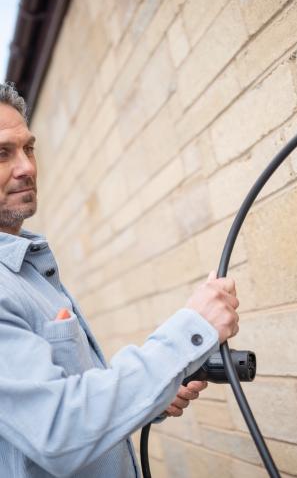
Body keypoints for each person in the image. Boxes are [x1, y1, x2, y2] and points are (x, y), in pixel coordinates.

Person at [0, 82, 239, 477]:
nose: (26, 166)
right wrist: (190, 331)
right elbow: (59, 431)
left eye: (29, 148)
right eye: (3, 153)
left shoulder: (27, 270)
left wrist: (151, 393)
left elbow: (71, 397)